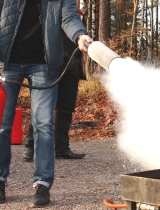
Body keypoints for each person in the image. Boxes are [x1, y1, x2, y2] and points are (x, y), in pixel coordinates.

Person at [0, 0, 93, 208]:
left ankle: (42, 183)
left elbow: (69, 18)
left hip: (44, 64)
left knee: (43, 124)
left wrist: (80, 35)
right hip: (7, 63)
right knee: (2, 124)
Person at [23, 9, 87, 161]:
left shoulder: (77, 14)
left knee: (65, 109)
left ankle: (61, 148)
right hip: (49, 66)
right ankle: (31, 147)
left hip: (71, 66)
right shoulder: (48, 8)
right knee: (42, 107)